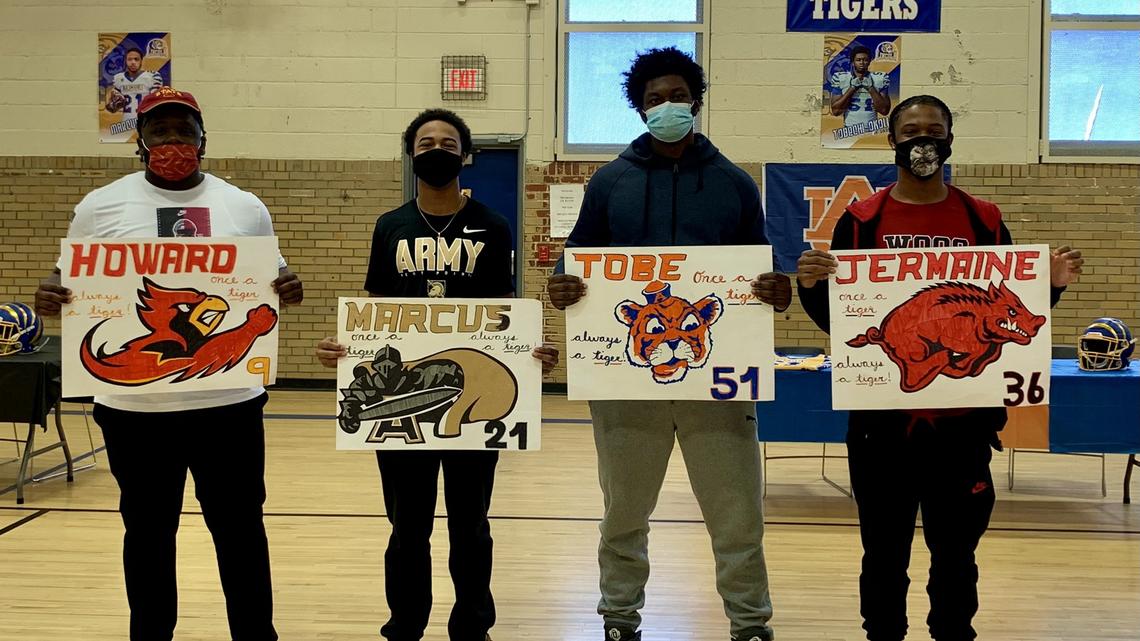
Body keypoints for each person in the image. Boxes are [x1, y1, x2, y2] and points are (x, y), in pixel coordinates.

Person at [796, 94, 1084, 641]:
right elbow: (837, 319)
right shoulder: (861, 219)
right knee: (883, 552)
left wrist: (1051, 286)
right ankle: (883, 634)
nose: (922, 138)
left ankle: (955, 633)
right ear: (892, 139)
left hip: (964, 427)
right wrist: (810, 284)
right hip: (881, 427)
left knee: (956, 554)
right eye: (910, 129)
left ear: (950, 138)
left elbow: (1013, 310)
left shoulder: (982, 216)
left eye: (934, 128)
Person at [34, 86, 303, 641]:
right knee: (148, 533)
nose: (173, 140)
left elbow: (272, 276)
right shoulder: (100, 205)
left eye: (184, 130)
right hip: (134, 411)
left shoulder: (243, 205)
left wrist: (288, 288)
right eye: (161, 131)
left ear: (204, 139)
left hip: (227, 406)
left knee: (240, 532)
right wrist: (53, 294)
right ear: (141, 140)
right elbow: (69, 278)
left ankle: (256, 636)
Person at [546, 47, 789, 641]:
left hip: (720, 383)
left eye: (677, 96)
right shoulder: (610, 182)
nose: (667, 107)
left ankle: (750, 623)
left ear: (695, 101)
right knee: (624, 513)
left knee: (737, 516)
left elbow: (760, 265)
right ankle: (619, 619)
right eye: (655, 99)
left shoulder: (733, 182)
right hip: (627, 385)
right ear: (640, 109)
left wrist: (776, 287)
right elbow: (575, 259)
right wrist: (563, 284)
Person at [314, 108, 558, 641]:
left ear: (465, 155)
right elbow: (375, 307)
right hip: (408, 398)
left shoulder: (493, 226)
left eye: (449, 142)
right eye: (426, 142)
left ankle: (472, 624)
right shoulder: (391, 226)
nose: (437, 150)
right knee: (407, 526)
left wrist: (529, 352)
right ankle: (405, 623)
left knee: (471, 525)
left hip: (470, 398)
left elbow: (504, 309)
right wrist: (346, 349)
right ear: (411, 153)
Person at [829, 45, 891, 127]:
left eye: (865, 60)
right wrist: (852, 89)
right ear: (852, 62)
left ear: (869, 62)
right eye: (858, 60)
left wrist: (871, 88)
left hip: (871, 130)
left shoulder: (879, 79)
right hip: (849, 130)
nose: (862, 63)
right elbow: (836, 111)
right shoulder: (842, 78)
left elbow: (884, 110)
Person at [106, 46, 163, 119]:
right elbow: (112, 108)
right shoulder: (119, 78)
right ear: (125, 61)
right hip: (126, 124)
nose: (133, 62)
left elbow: (156, 101)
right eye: (129, 59)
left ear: (141, 61)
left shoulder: (152, 76)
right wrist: (113, 104)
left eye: (136, 59)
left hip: (145, 122)